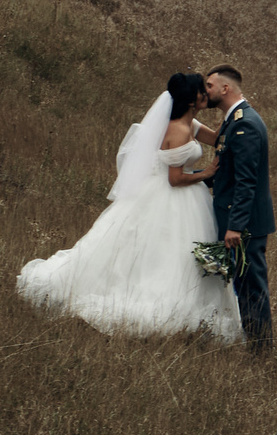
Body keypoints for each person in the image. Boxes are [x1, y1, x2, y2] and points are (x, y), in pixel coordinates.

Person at [15, 71, 240, 340]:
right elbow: (175, 178)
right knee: (162, 252)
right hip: (171, 193)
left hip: (189, 197)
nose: (207, 94)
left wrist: (236, 120)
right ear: (193, 99)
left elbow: (217, 138)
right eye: (203, 91)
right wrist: (207, 173)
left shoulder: (189, 123)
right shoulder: (178, 130)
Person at [201, 64, 277, 354]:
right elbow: (228, 174)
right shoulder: (234, 121)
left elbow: (246, 181)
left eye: (209, 85)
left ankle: (261, 349)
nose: (205, 90)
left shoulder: (244, 124)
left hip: (246, 225)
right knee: (245, 284)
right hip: (242, 220)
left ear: (225, 88)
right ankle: (257, 343)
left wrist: (235, 225)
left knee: (251, 285)